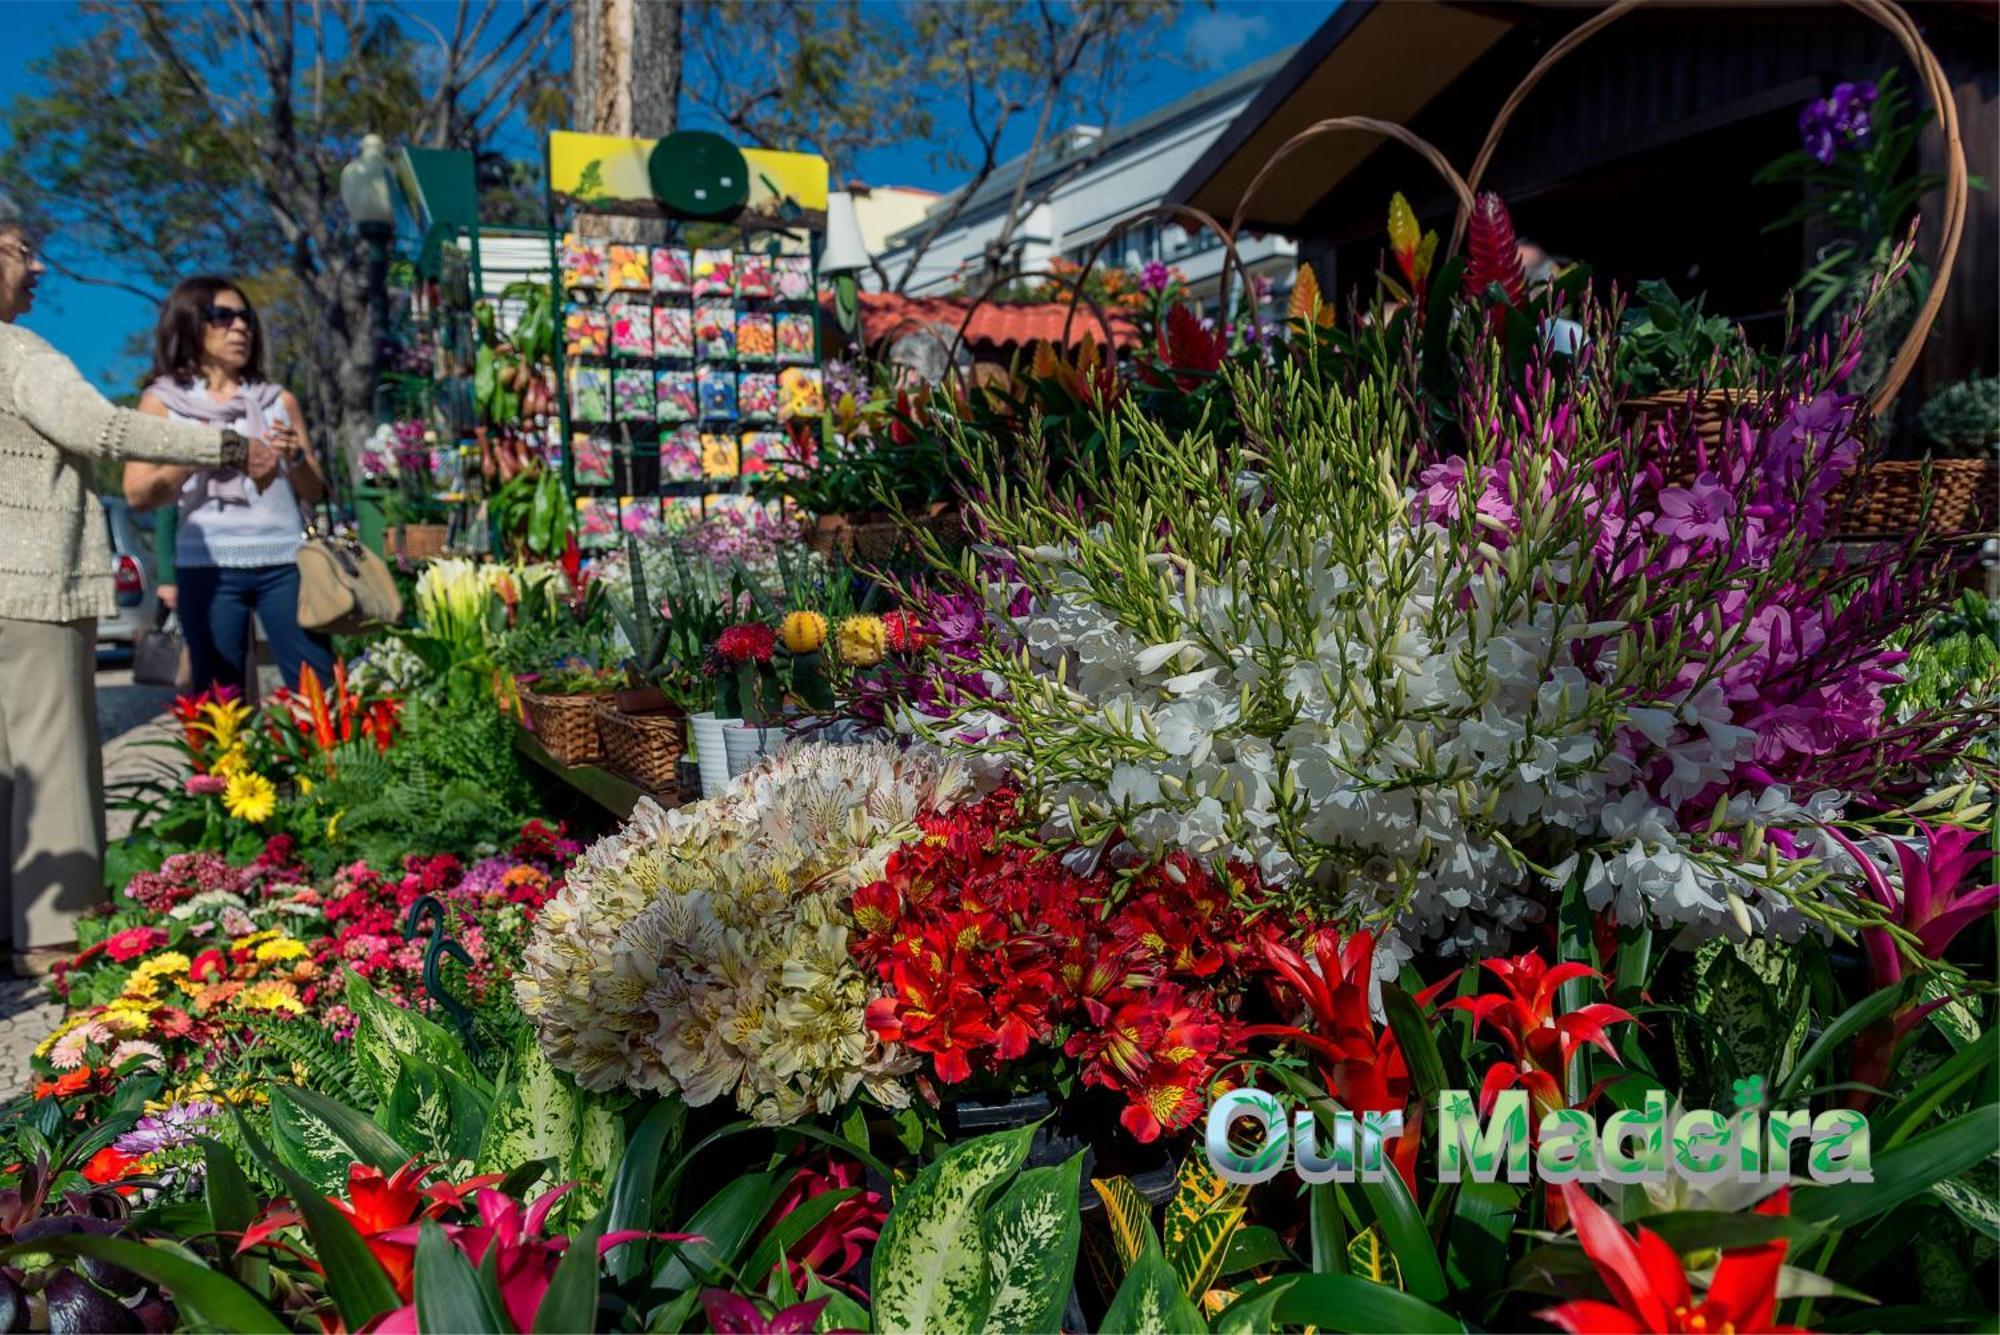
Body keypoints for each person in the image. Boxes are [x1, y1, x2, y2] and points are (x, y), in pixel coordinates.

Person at [0, 200, 269, 974]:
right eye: (23, 249)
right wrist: (224, 443)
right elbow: (103, 430)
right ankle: (56, 937)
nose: (40, 266)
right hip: (33, 590)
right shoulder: (20, 353)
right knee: (51, 758)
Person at [124, 278, 333, 694]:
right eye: (222, 317)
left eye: (246, 318)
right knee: (221, 699)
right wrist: (203, 452)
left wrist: (292, 457)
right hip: (208, 566)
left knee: (318, 689)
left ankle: (326, 761)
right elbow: (138, 493)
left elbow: (315, 492)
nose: (240, 328)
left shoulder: (277, 400)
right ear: (188, 324)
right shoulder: (162, 402)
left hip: (285, 561)